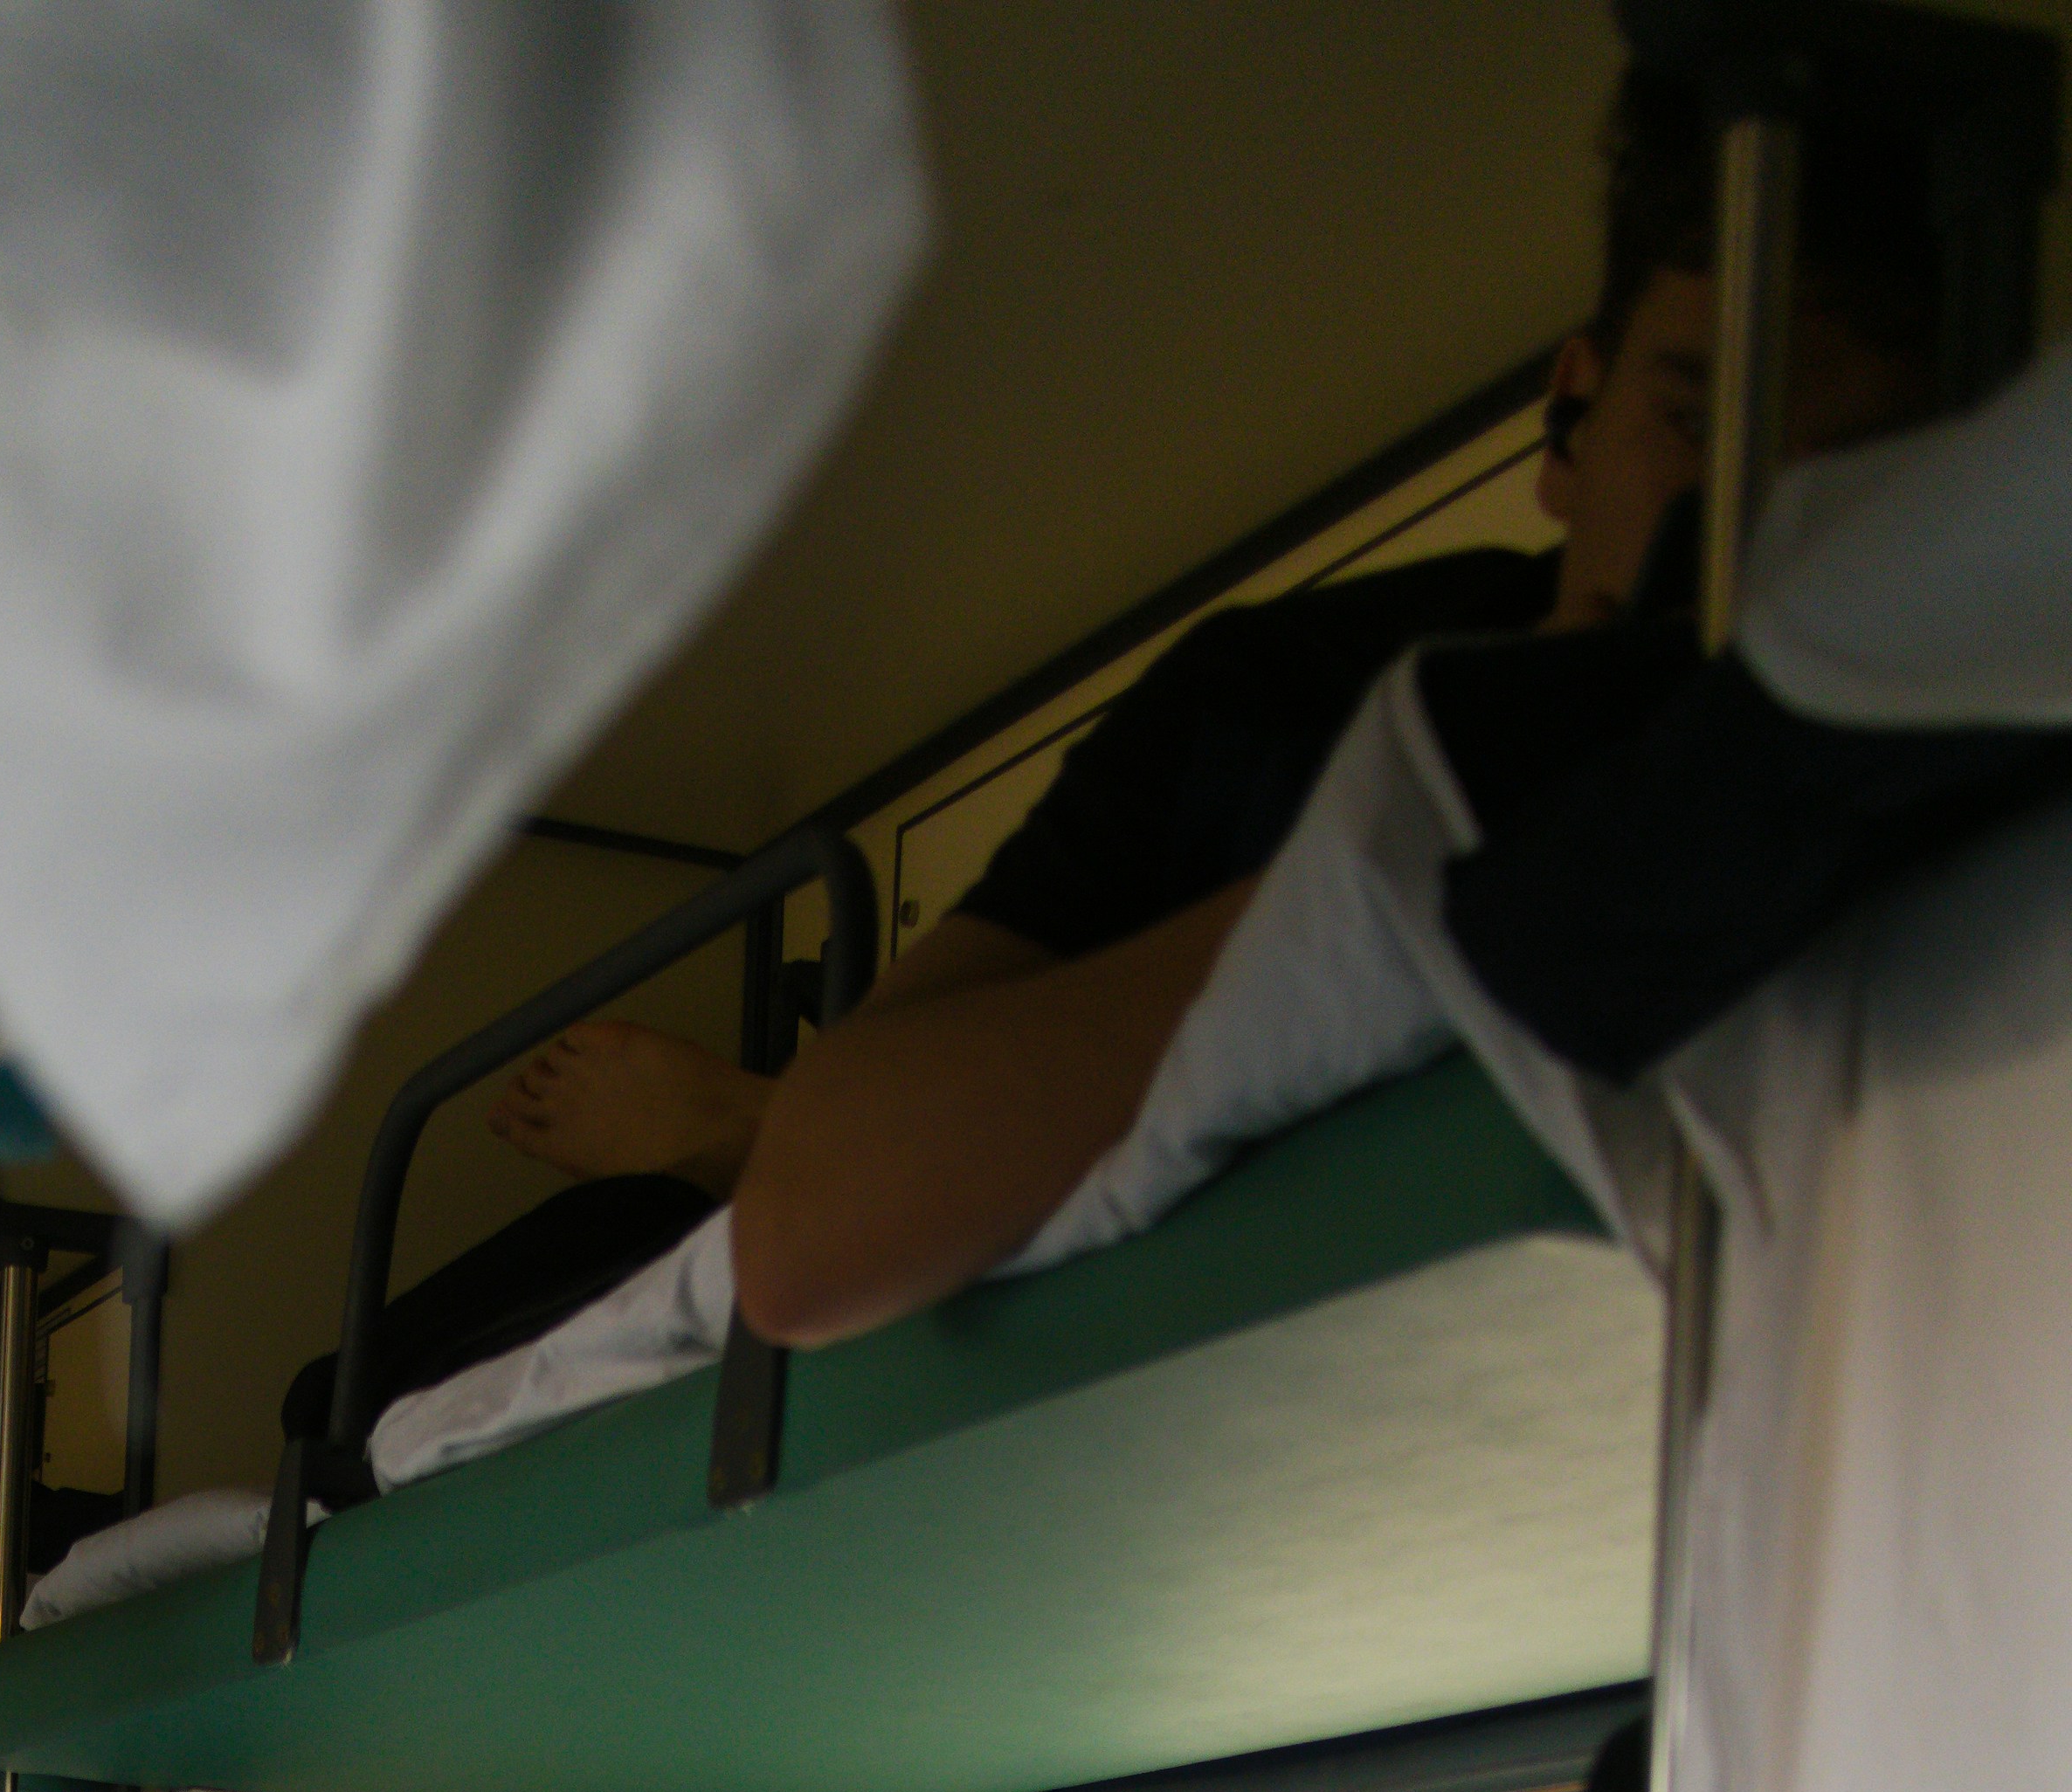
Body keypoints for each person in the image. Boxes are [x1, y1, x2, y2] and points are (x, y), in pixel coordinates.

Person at [455, 64, 1948, 1359]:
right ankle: (735, 1122)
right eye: (1694, 423)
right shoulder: (1282, 696)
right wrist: (1452, 839)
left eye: (1845, 485)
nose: (1744, 524)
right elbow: (810, 1241)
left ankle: (732, 1119)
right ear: (1572, 413)